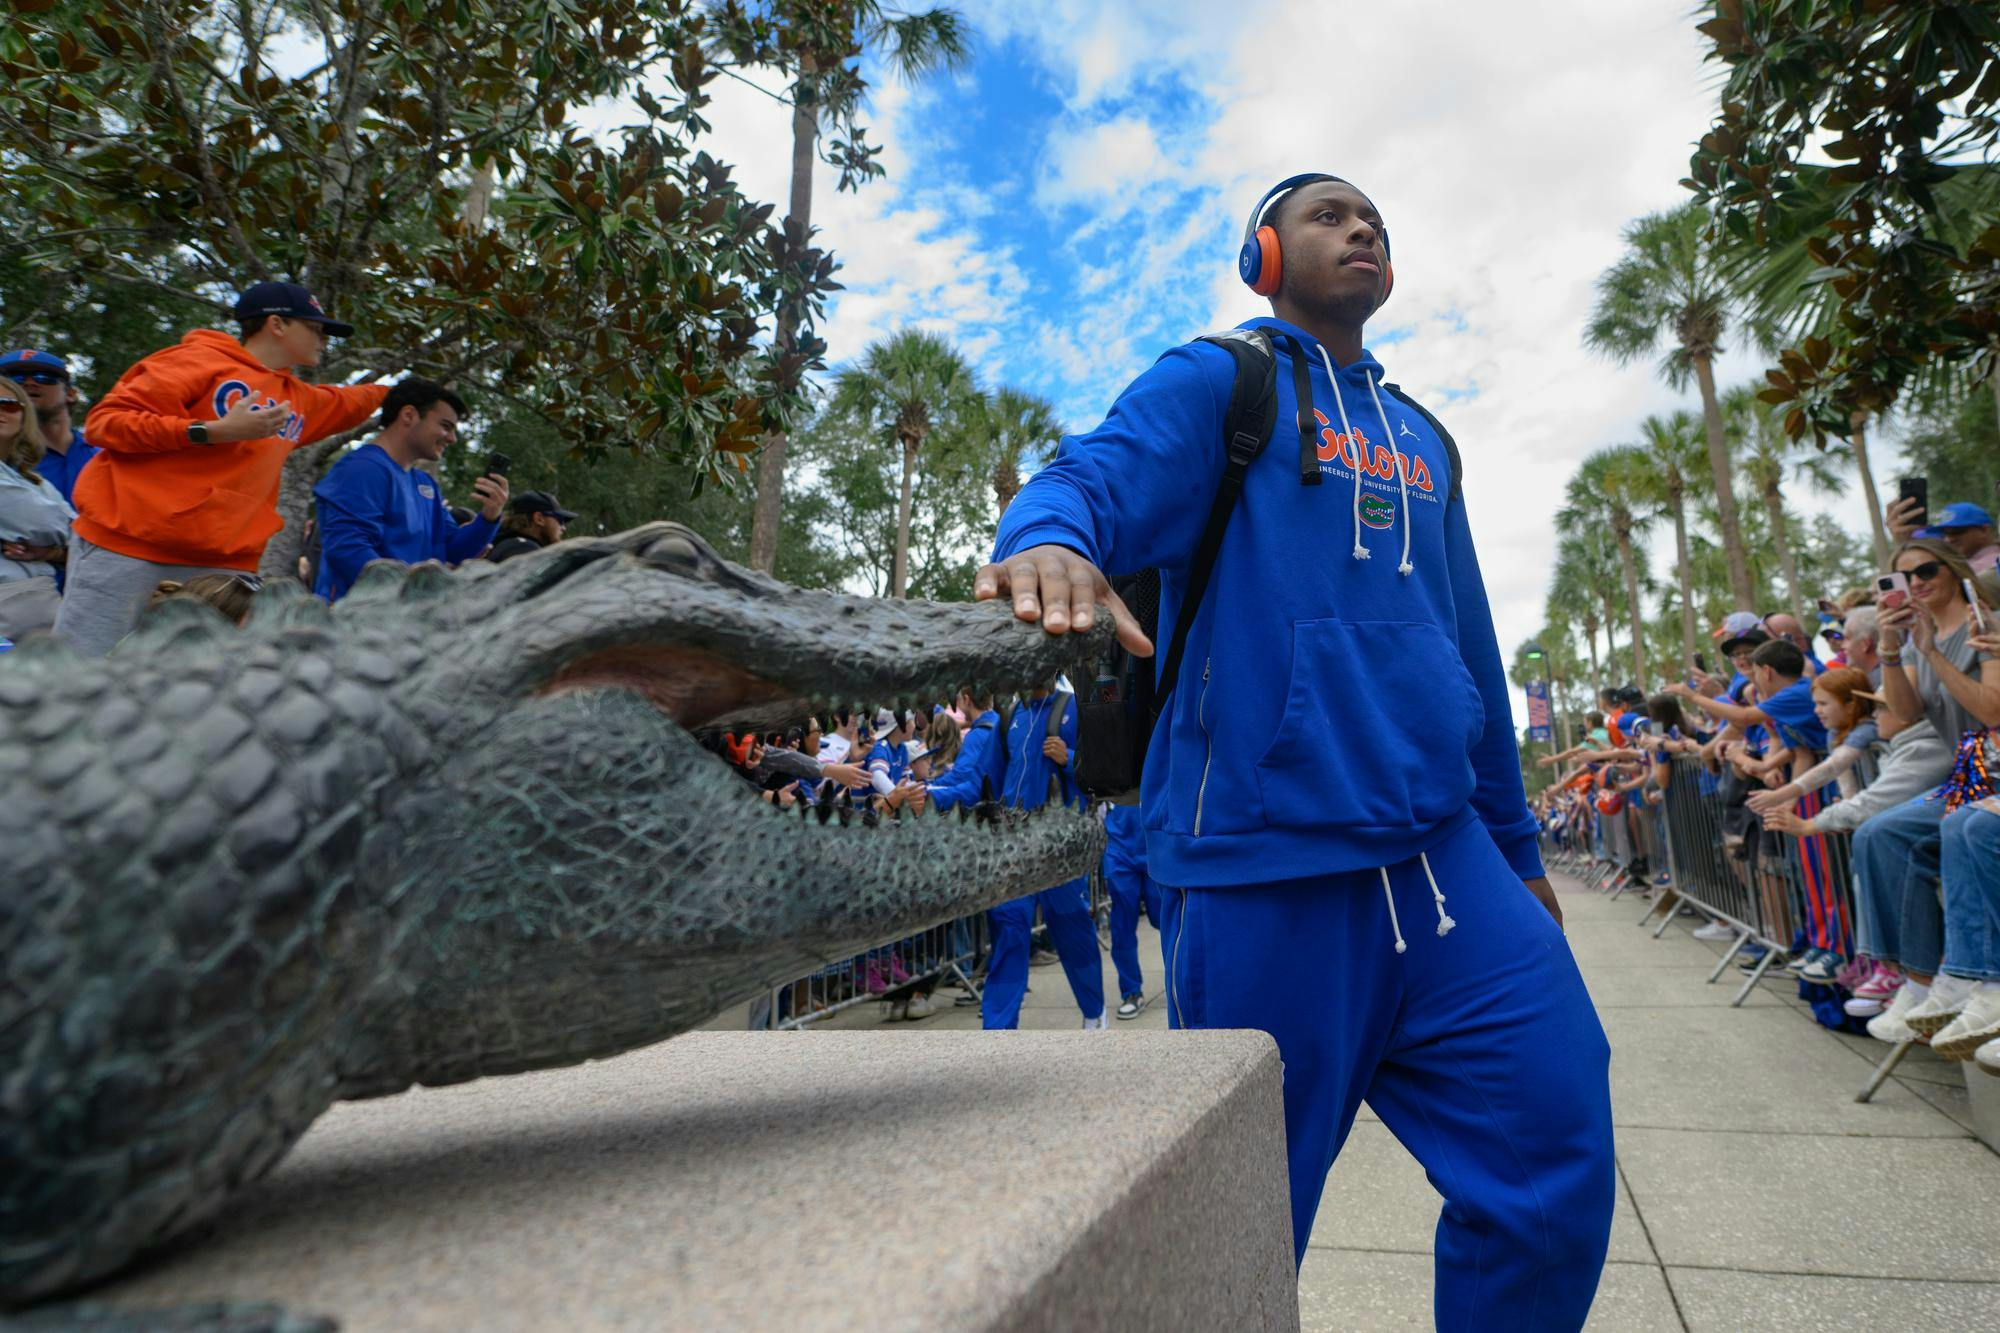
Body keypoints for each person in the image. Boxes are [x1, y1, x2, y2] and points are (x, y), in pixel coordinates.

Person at [976, 172, 1613, 1319]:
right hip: (1259, 872)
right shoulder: (1221, 381)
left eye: (1373, 218)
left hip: (1445, 865)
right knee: (1237, 1243)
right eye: (1327, 214)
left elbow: (1468, 650)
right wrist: (1048, 540)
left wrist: (1516, 851)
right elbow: (1088, 475)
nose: (1360, 226)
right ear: (1259, 254)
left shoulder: (1424, 435)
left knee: (1552, 1168)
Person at [51, 282, 388, 655]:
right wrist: (212, 431)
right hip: (128, 549)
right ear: (276, 324)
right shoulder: (195, 360)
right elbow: (106, 423)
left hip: (226, 565)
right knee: (82, 673)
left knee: (205, 686)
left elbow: (352, 401)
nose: (324, 338)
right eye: (315, 327)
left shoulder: (299, 398)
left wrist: (408, 395)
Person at [1853, 541, 2000, 1042]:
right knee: (1877, 834)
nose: (1915, 584)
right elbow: (1903, 714)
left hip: (1987, 765)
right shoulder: (1918, 637)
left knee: (1965, 828)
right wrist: (1893, 649)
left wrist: (1933, 653)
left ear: (1954, 569)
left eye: (1926, 571)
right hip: (1967, 772)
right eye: (1902, 578)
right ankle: (1917, 981)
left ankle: (1974, 977)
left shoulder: (1985, 621)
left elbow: (1989, 710)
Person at [311, 379, 505, 601]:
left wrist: (489, 517)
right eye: (445, 426)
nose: (452, 439)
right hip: (359, 622)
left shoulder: (424, 482)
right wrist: (408, 598)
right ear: (409, 415)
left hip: (408, 622)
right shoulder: (362, 468)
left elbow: (452, 550)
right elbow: (348, 550)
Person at [0, 377, 74, 638]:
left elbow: (84, 540)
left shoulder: (34, 481)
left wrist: (49, 552)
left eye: (7, 405)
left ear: (24, 416)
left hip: (39, 608)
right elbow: (46, 522)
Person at [0, 348, 98, 505]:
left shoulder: (103, 455)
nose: (29, 383)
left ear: (71, 394)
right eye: (15, 379)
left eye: (44, 377)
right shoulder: (5, 463)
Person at [1102, 802, 1162, 1019]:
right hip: (1119, 846)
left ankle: (1183, 980)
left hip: (1155, 843)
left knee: (1163, 918)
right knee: (1122, 925)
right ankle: (1131, 992)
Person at [1891, 497, 1997, 575]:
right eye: (1945, 533)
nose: (1950, 538)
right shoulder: (1963, 564)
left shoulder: (1992, 563)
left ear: (1984, 530)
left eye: (1957, 531)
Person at [488, 490, 576, 563]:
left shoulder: (503, 544)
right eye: (560, 520)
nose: (563, 528)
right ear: (539, 518)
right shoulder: (524, 550)